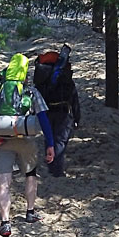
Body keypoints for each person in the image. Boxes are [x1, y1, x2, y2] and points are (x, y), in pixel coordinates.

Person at [0, 53, 55, 237]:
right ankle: (30, 212)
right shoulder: (31, 91)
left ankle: (5, 223)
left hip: (3, 140)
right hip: (27, 141)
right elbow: (44, 119)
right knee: (31, 175)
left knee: (4, 182)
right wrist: (50, 143)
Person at [33, 48, 81, 177]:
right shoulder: (65, 78)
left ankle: (50, 166)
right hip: (63, 112)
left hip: (46, 111)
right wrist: (77, 118)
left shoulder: (43, 79)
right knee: (60, 141)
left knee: (49, 138)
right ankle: (57, 171)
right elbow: (74, 98)